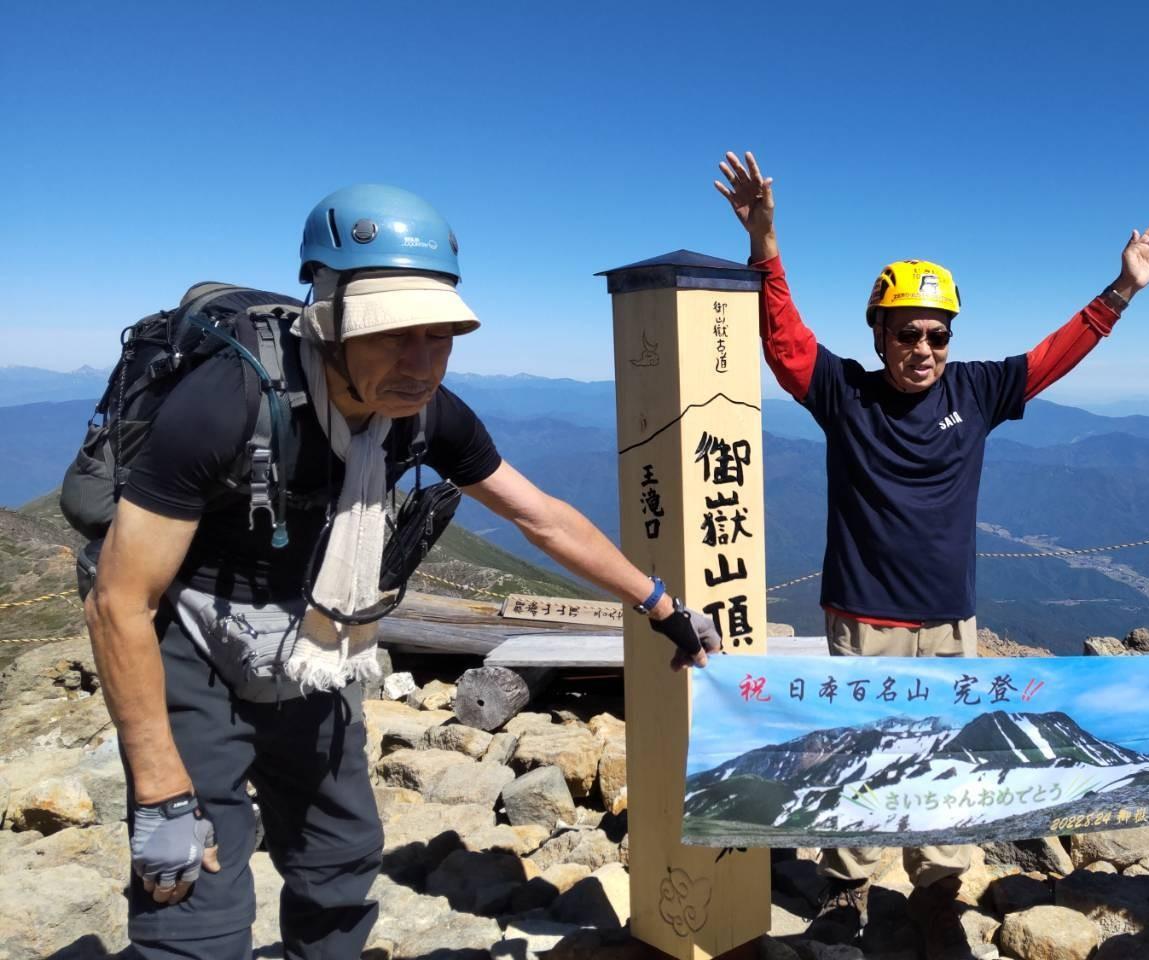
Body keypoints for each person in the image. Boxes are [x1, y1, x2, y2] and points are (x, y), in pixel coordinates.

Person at [84, 183, 722, 959]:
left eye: (440, 336)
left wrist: (661, 605)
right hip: (189, 645)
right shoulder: (227, 402)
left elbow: (541, 516)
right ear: (329, 317)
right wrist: (156, 787)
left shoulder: (424, 412)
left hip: (312, 644)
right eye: (393, 334)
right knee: (191, 883)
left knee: (340, 855)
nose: (420, 362)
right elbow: (119, 599)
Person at [714, 151, 1149, 949]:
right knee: (860, 758)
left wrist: (1123, 289)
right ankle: (847, 887)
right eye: (907, 333)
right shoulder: (845, 394)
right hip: (862, 613)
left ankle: (937, 886)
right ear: (881, 334)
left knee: (947, 760)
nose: (923, 347)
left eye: (936, 333)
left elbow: (1055, 354)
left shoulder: (977, 390)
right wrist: (766, 245)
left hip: (949, 617)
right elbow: (787, 344)